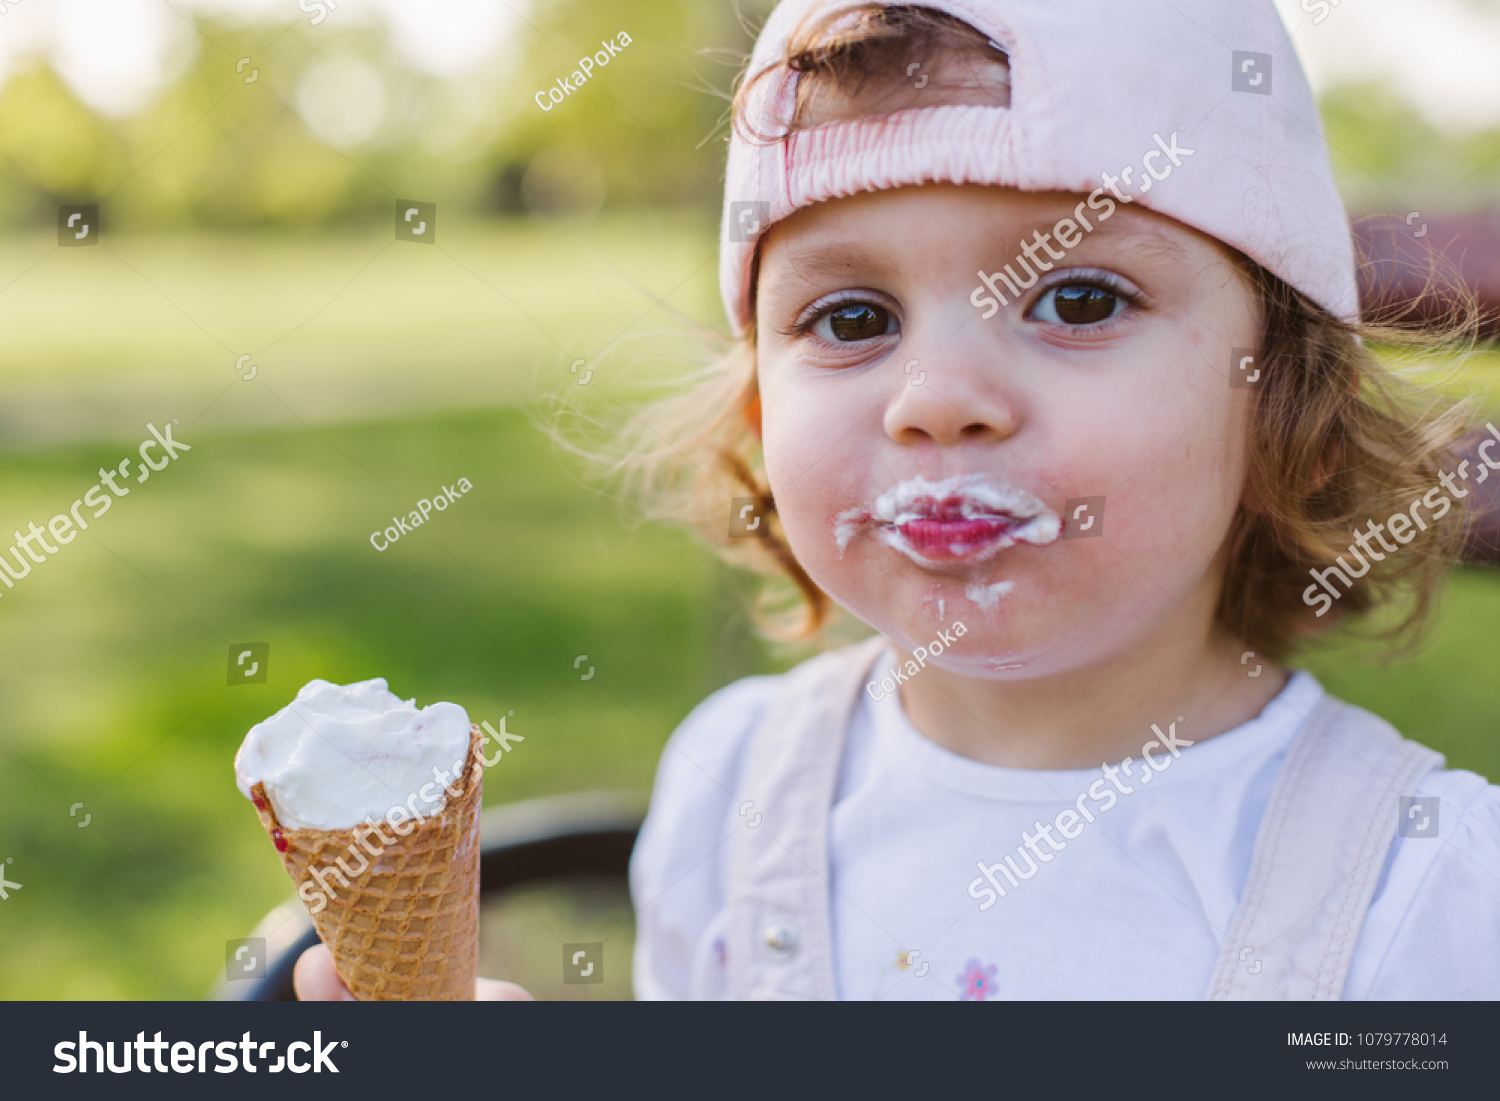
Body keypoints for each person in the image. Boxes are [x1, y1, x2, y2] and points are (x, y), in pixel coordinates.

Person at [300, 0, 1500, 1000]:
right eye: (853, 320)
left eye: (1078, 301)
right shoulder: (731, 789)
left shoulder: (1427, 897)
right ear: (761, 424)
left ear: (1283, 397)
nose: (935, 399)